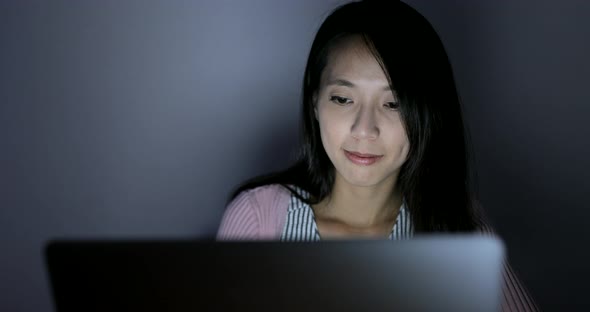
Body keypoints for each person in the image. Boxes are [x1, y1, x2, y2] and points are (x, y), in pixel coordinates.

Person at [217, 1, 538, 311]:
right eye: (342, 99)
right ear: (314, 101)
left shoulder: (457, 225)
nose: (364, 129)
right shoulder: (260, 218)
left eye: (393, 104)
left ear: (426, 114)